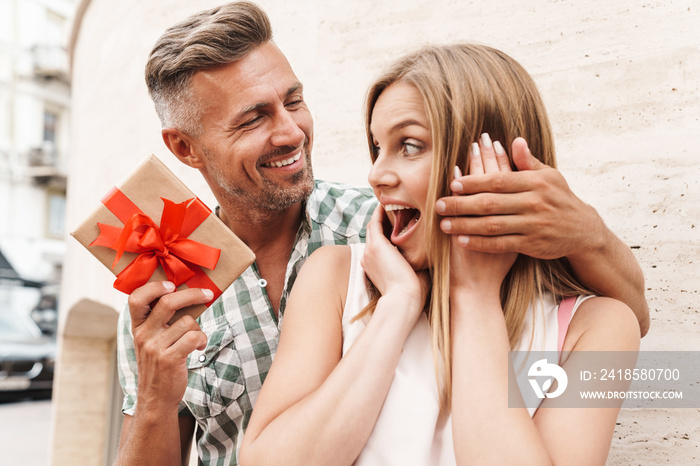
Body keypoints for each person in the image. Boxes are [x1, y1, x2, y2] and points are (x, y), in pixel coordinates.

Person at [116, 3, 648, 465]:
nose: (290, 131)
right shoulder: (161, 293)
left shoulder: (380, 233)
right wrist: (156, 397)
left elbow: (627, 318)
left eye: (294, 100)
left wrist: (586, 236)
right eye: (253, 118)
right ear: (184, 148)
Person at [239, 43, 641, 465]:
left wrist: (475, 295)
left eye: (409, 145)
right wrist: (398, 305)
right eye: (377, 147)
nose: (376, 174)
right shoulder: (335, 277)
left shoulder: (597, 328)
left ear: (491, 162)